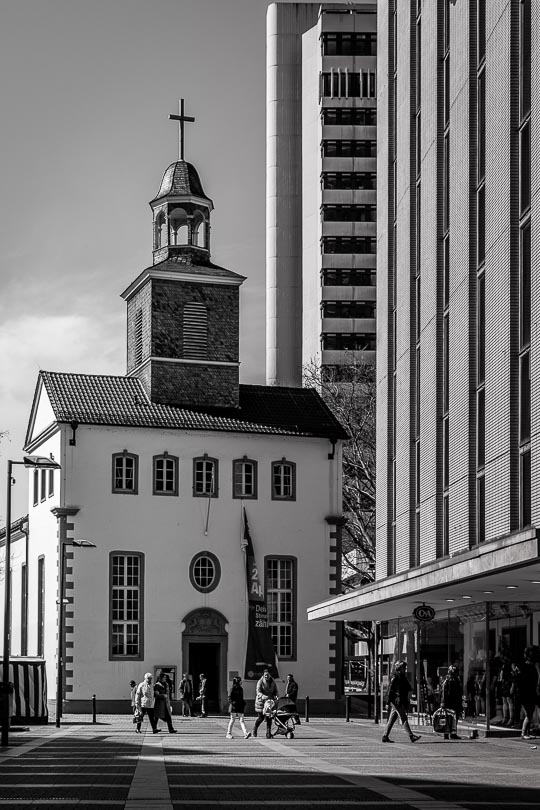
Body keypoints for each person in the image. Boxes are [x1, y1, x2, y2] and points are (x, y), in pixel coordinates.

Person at [382, 661, 421, 744]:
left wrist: (411, 690)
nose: (405, 669)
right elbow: (390, 690)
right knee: (403, 718)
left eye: (405, 668)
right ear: (399, 668)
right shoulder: (395, 677)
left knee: (392, 719)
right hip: (396, 701)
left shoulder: (403, 677)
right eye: (403, 668)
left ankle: (385, 736)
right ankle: (411, 736)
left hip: (400, 700)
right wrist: (387, 702)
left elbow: (407, 687)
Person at [518, 646, 540, 740]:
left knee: (529, 713)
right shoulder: (534, 665)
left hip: (526, 692)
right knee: (529, 714)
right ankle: (524, 733)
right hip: (529, 692)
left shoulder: (524, 666)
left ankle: (526, 732)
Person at [253, 669, 278, 738]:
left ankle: (268, 733)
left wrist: (276, 695)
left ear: (270, 675)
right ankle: (255, 728)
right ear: (263, 675)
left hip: (270, 702)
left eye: (268, 675)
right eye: (265, 675)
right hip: (261, 702)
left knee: (269, 718)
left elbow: (275, 690)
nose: (266, 676)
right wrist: (263, 696)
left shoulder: (273, 682)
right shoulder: (260, 682)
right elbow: (258, 692)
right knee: (261, 718)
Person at [441, 665, 463, 739]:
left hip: (455, 702)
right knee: (447, 718)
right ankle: (446, 733)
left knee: (455, 718)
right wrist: (443, 702)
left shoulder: (457, 680)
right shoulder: (447, 681)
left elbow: (459, 692)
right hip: (449, 702)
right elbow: (444, 692)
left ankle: (453, 733)